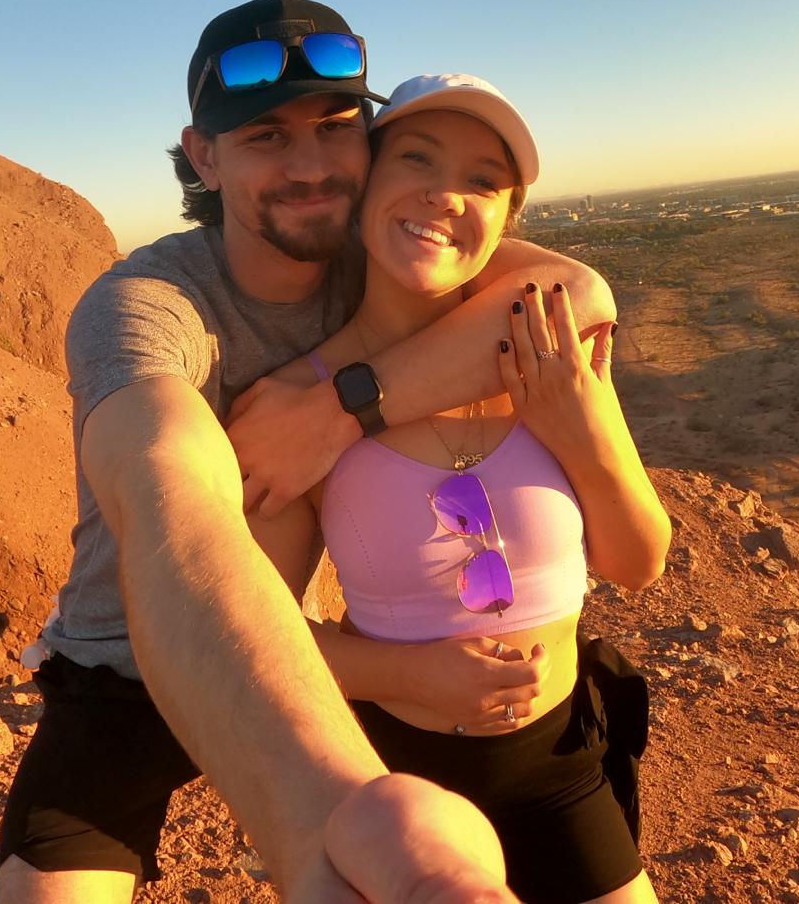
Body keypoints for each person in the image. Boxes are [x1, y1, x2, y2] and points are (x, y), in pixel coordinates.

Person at [0, 0, 615, 904]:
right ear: (202, 154)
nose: (312, 166)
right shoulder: (148, 304)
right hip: (127, 661)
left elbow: (578, 292)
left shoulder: (388, 262)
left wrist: (337, 407)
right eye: (265, 138)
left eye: (335, 129)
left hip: (308, 655)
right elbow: (165, 483)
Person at [251, 74, 672, 904]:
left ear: (507, 226)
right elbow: (254, 636)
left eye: (483, 181)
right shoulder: (292, 409)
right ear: (366, 181)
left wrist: (585, 437)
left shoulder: (548, 360)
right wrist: (406, 677)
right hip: (400, 780)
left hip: (560, 767)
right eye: (416, 158)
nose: (445, 195)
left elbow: (637, 563)